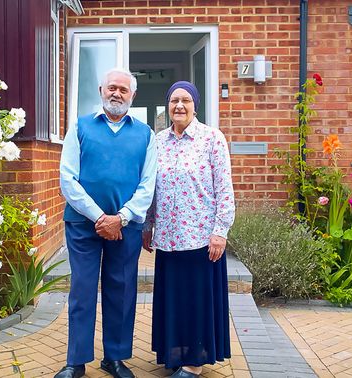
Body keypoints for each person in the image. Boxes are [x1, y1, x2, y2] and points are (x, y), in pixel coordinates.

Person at [57, 68, 157, 378]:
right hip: (83, 225)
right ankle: (76, 361)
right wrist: (99, 217)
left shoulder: (145, 135)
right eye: (112, 88)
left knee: (122, 290)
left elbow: (147, 185)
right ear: (101, 90)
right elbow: (67, 178)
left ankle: (114, 357)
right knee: (82, 290)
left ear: (132, 96)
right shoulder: (81, 127)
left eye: (123, 90)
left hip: (125, 227)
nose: (116, 93)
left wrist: (121, 217)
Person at [143, 81, 235, 377]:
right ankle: (175, 354)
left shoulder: (211, 139)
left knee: (196, 301)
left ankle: (194, 362)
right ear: (167, 106)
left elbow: (224, 190)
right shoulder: (158, 141)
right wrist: (148, 224)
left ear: (195, 105)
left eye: (185, 100)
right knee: (174, 300)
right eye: (173, 100)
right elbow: (151, 189)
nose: (179, 106)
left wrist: (220, 230)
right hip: (169, 239)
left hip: (200, 239)